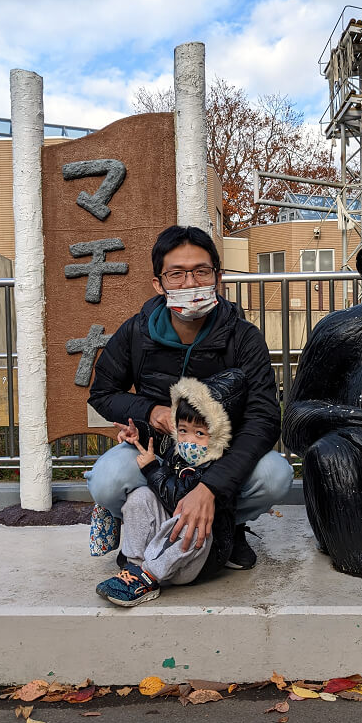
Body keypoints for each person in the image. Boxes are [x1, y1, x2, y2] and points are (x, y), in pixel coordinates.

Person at [85, 225, 292, 571]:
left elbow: (264, 417)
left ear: (218, 277)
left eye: (201, 272)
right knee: (107, 480)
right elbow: (103, 393)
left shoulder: (244, 337)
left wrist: (210, 487)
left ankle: (225, 525)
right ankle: (145, 526)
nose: (191, 284)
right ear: (158, 283)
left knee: (276, 476)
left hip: (221, 454)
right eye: (176, 274)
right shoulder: (136, 331)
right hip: (156, 448)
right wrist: (150, 411)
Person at [96, 370, 245, 606]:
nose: (189, 440)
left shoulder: (220, 464)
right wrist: (139, 433)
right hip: (168, 549)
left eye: (200, 433)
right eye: (183, 430)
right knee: (140, 496)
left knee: (190, 518)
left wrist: (153, 469)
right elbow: (161, 440)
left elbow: (182, 500)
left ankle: (149, 576)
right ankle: (134, 567)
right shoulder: (179, 448)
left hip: (194, 560)